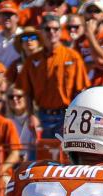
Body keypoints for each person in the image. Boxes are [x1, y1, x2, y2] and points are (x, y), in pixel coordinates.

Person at [15, 12, 89, 141]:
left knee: (66, 158)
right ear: (41, 32)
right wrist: (31, 115)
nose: (52, 32)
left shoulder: (72, 56)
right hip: (42, 117)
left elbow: (81, 91)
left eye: (55, 28)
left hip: (67, 116)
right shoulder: (32, 60)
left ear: (60, 31)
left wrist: (76, 117)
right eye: (47, 29)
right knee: (41, 158)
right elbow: (27, 92)